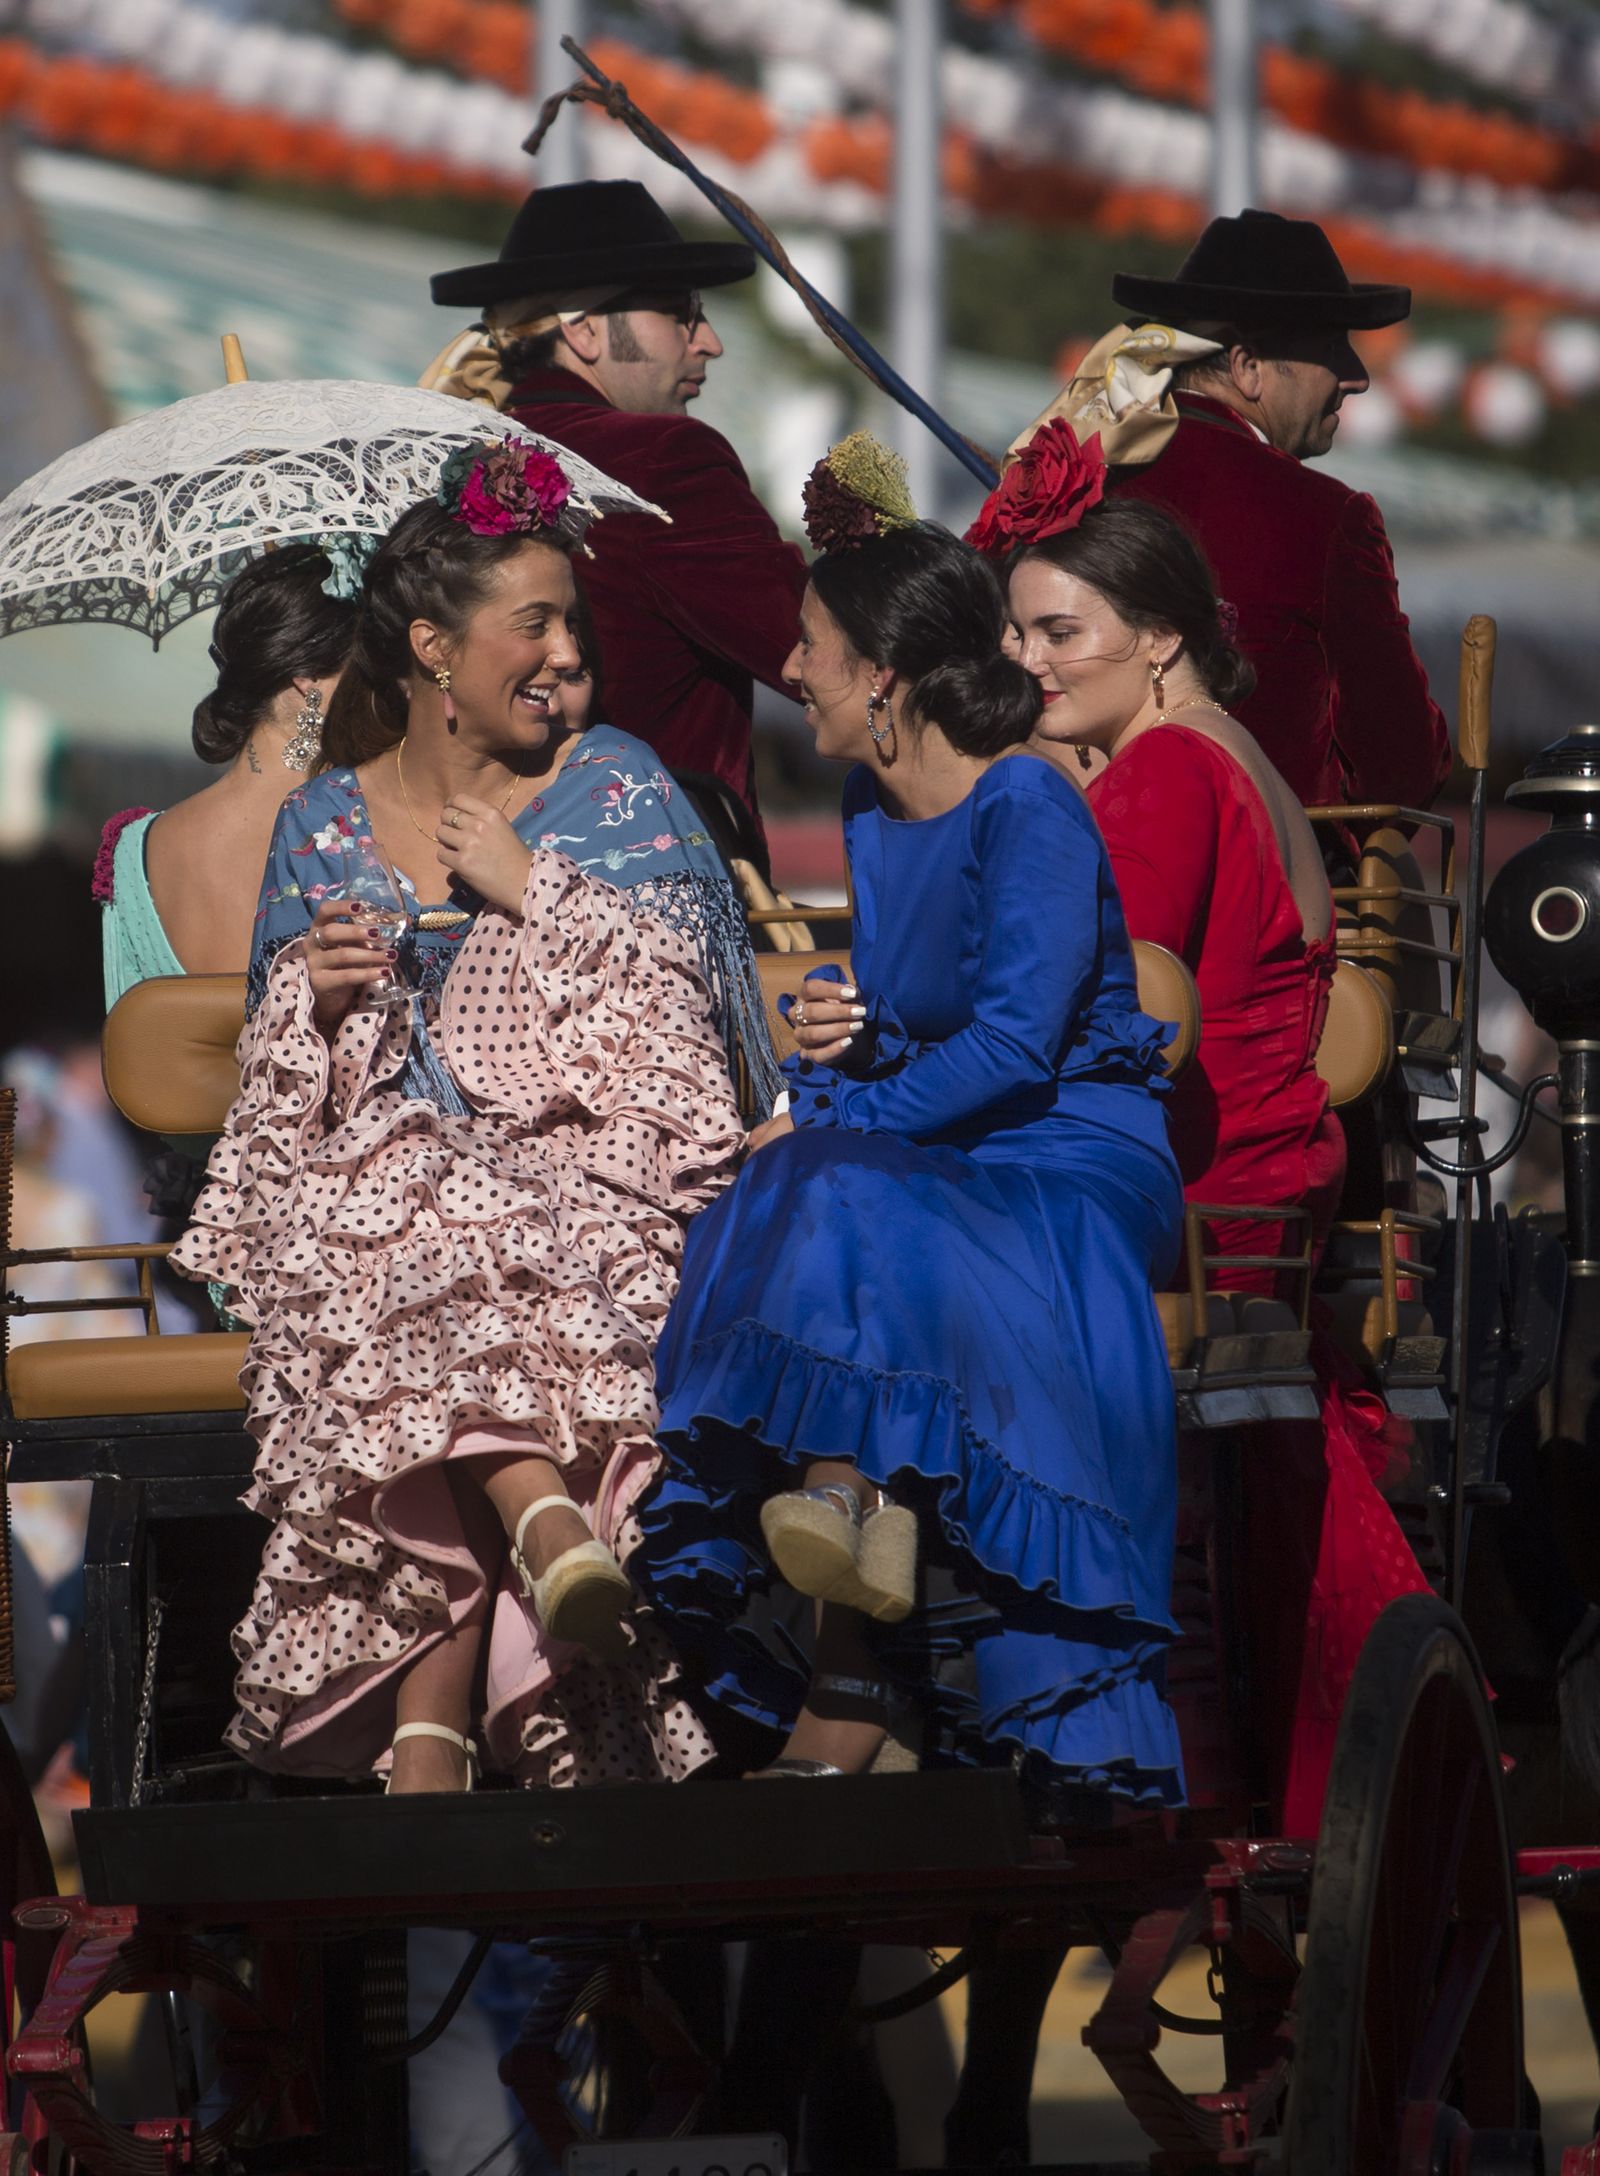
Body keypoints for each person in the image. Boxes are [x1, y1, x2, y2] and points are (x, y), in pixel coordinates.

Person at [942, 425, 1432, 2164]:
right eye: (1016, 635)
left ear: (1156, 635)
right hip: (1251, 1229)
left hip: (1186, 1237)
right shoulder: (1215, 753)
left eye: (1055, 631)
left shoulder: (1157, 778)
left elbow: (1099, 1022)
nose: (1026, 661)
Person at [172, 438, 747, 1793]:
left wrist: (530, 888)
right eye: (531, 622)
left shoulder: (614, 789)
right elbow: (284, 1098)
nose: (564, 653)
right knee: (410, 1192)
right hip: (381, 1214)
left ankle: (430, 1735)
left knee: (445, 1231)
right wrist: (311, 1001)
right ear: (431, 647)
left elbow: (687, 1058)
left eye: (570, 622)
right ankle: (549, 1537)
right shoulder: (321, 821)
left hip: (596, 1191)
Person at [630, 435, 1186, 1800]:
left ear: (882, 674)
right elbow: (919, 1012)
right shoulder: (877, 805)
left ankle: (847, 1547)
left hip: (1064, 1154)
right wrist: (843, 1037)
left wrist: (841, 1112)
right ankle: (850, 1599)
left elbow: (1010, 1044)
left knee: (827, 1178)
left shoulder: (1030, 801)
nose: (794, 669)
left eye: (811, 646)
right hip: (946, 1145)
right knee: (792, 1179)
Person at [1013, 210, 1450, 821]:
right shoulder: (1328, 518)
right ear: (1246, 367)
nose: (1358, 378)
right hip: (1268, 891)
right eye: (1332, 347)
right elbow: (1402, 770)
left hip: (1062, 852)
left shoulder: (1064, 485)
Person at [428, 180, 808, 846]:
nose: (709, 342)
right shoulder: (664, 456)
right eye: (679, 313)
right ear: (582, 329)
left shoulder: (462, 457)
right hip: (651, 874)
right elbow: (814, 647)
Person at [97, 545, 357, 1009]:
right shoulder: (350, 825)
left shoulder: (136, 847)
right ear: (308, 675)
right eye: (372, 663)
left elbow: (130, 1032)